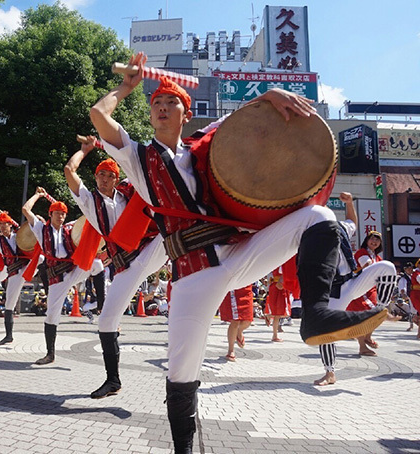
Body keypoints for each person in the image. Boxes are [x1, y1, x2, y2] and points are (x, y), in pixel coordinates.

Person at [90, 52, 386, 453]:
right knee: (181, 372)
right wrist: (125, 88)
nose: (162, 107)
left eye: (171, 102)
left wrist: (273, 90)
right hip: (195, 274)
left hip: (237, 254)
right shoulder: (138, 157)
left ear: (185, 112)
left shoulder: (203, 148)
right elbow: (98, 115)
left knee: (317, 216)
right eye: (156, 103)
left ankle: (315, 314)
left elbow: (241, 117)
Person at [64, 136, 167, 397]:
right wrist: (85, 150)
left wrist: (107, 144)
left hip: (148, 253)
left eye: (109, 175)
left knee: (169, 229)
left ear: (116, 178)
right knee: (106, 321)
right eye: (100, 175)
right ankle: (113, 380)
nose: (103, 179)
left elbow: (140, 167)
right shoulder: (89, 202)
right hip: (126, 267)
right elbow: (69, 171)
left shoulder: (129, 192)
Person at [314, 192, 397, 385]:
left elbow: (352, 220)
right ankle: (329, 372)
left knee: (388, 267)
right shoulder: (309, 238)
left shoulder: (341, 229)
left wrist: (350, 203)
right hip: (334, 292)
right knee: (325, 331)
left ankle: (380, 309)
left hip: (352, 282)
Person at [22, 187, 102, 365]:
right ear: (50, 214)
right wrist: (38, 195)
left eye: (63, 214)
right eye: (57, 213)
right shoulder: (41, 228)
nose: (61, 216)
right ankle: (50, 354)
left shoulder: (69, 228)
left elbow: (88, 218)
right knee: (52, 315)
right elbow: (26, 210)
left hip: (72, 271)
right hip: (56, 277)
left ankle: (101, 305)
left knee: (97, 264)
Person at [0, 211, 32, 345]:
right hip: (14, 273)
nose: (2, 227)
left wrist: (37, 219)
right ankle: (8, 336)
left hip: (26, 267)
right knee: (9, 304)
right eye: (0, 224)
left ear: (11, 225)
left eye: (5, 224)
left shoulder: (19, 236)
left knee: (41, 258)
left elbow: (35, 231)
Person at [346, 230, 394, 355]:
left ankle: (367, 336)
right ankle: (362, 346)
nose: (374, 242)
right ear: (367, 241)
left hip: (371, 290)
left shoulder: (377, 257)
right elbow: (366, 265)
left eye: (377, 240)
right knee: (363, 318)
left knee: (377, 314)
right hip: (360, 288)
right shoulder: (362, 252)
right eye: (372, 239)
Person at [219, 285, 254, 361]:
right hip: (234, 286)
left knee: (248, 320)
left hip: (246, 287)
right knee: (235, 320)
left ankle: (239, 331)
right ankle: (231, 350)